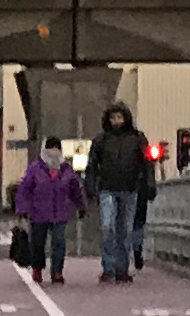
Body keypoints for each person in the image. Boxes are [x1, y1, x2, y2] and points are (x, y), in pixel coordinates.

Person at [87, 103, 155, 283]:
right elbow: (92, 165)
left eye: (119, 117)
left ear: (125, 118)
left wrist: (149, 185)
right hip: (107, 188)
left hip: (130, 188)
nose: (116, 121)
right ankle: (108, 267)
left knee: (125, 230)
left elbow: (147, 164)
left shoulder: (138, 139)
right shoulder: (101, 140)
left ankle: (121, 269)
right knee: (107, 227)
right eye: (113, 118)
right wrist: (90, 186)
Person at [15, 138, 87, 285]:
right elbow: (25, 189)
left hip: (60, 212)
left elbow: (75, 189)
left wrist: (81, 206)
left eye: (56, 148)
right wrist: (22, 209)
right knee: (38, 242)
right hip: (39, 212)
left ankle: (57, 272)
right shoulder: (35, 168)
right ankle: (37, 268)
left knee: (59, 242)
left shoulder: (66, 169)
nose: (53, 152)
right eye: (50, 148)